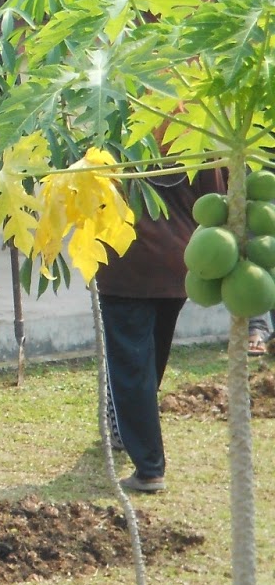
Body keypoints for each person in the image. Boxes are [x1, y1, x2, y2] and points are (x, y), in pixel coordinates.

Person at [97, 167, 221, 493]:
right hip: (179, 262)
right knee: (149, 363)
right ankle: (129, 429)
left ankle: (149, 468)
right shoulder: (195, 130)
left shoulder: (113, 131)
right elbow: (217, 201)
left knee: (133, 368)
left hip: (127, 265)